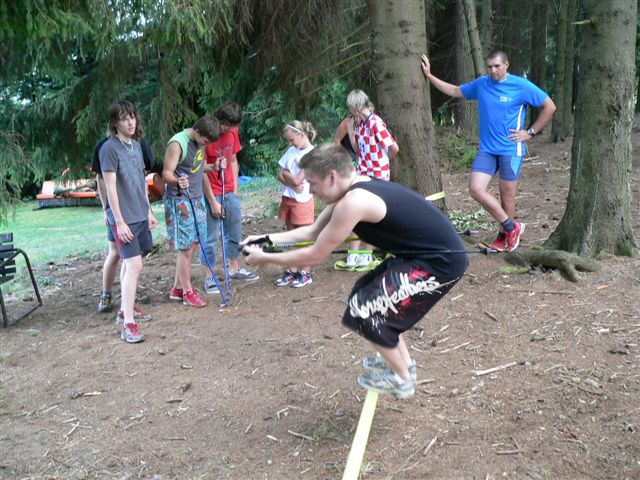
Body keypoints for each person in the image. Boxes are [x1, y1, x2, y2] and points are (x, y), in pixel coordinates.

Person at [241, 143, 468, 399]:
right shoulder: (352, 189)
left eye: (313, 183)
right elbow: (312, 232)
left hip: (440, 263)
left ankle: (402, 381)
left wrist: (265, 258)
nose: (311, 191)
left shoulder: (353, 202)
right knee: (365, 293)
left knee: (365, 310)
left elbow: (316, 254)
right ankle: (403, 368)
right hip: (417, 256)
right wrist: (265, 239)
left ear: (332, 176)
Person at [420, 50, 556, 252]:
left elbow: (549, 106)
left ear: (507, 65)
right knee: (476, 188)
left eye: (497, 66)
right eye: (490, 67)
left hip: (511, 148)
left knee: (506, 195)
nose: (493, 70)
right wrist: (429, 76)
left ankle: (504, 235)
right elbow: (456, 91)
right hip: (487, 150)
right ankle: (511, 228)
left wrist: (530, 132)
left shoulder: (521, 85)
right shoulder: (482, 84)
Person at [99, 100, 159, 343]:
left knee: (129, 263)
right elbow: (110, 188)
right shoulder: (109, 149)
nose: (130, 122)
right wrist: (119, 222)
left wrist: (148, 211)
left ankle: (125, 310)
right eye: (125, 118)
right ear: (115, 123)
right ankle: (128, 325)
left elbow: (141, 181)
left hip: (139, 214)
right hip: (124, 219)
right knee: (135, 266)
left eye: (132, 116)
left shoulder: (136, 145)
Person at [335, 89, 399, 272]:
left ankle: (366, 255)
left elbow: (394, 148)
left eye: (350, 107)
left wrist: (383, 162)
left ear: (355, 106)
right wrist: (350, 130)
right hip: (363, 171)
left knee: (372, 214)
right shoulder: (359, 124)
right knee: (356, 211)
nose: (349, 110)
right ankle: (353, 255)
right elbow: (358, 149)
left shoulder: (375, 122)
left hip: (378, 174)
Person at [201, 102, 258, 294]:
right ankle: (209, 275)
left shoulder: (233, 133)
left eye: (233, 126)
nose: (229, 129)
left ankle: (234, 269)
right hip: (211, 192)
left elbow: (233, 160)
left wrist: (235, 190)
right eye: (227, 125)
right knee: (210, 236)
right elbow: (200, 171)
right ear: (219, 120)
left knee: (234, 231)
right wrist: (212, 201)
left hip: (229, 191)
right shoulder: (207, 135)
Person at [162, 116, 220, 308]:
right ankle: (188, 293)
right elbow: (167, 173)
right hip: (180, 201)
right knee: (185, 248)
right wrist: (177, 181)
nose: (206, 144)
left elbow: (196, 168)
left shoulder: (200, 142)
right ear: (197, 131)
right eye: (205, 141)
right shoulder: (178, 143)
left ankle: (178, 289)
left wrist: (213, 167)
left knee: (194, 245)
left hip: (196, 198)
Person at [274, 121, 316, 288]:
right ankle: (293, 269)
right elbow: (280, 174)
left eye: (292, 139)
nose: (291, 143)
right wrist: (290, 182)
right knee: (291, 236)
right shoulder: (291, 151)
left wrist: (288, 175)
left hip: (303, 200)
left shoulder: (311, 154)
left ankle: (306, 271)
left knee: (304, 237)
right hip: (288, 198)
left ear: (302, 135)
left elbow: (299, 179)